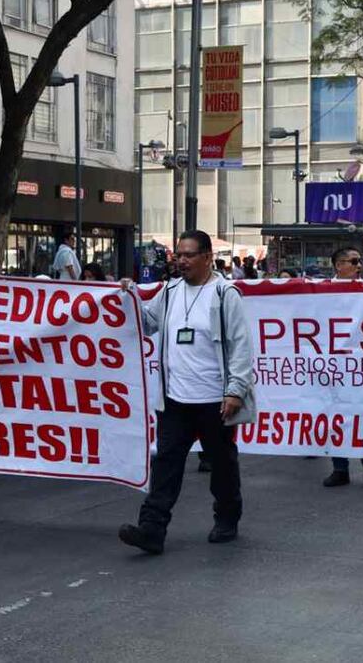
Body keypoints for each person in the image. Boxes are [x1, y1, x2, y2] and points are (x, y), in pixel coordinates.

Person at [118, 230, 255, 554]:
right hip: (175, 399)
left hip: (214, 401)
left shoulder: (225, 294)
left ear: (208, 257)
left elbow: (240, 347)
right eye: (178, 254)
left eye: (189, 255)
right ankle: (152, 529)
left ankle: (227, 518)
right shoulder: (169, 291)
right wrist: (130, 296)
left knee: (221, 465)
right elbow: (148, 324)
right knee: (166, 465)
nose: (181, 260)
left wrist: (235, 390)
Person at [323, 247, 363, 487]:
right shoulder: (320, 290)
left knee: (361, 413)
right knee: (334, 414)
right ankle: (340, 468)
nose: (358, 266)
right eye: (354, 261)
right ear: (338, 265)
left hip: (360, 364)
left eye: (359, 261)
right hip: (331, 363)